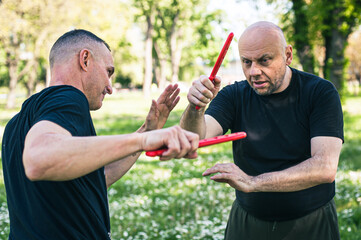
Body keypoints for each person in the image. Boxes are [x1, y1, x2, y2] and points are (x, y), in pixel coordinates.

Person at [1, 29, 199, 239]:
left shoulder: (17, 123)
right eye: (109, 71)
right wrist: (143, 139)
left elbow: (93, 179)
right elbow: (39, 159)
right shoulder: (69, 97)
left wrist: (146, 132)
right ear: (85, 60)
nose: (110, 87)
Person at [180, 21, 343, 240]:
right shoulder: (234, 95)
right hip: (248, 219)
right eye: (246, 62)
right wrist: (195, 107)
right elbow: (195, 136)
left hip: (311, 219)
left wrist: (252, 182)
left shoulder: (319, 92)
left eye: (264, 60)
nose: (254, 71)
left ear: (287, 55)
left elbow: (325, 167)